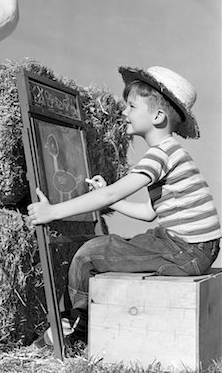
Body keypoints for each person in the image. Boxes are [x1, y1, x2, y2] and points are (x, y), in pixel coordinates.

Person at [27, 65, 221, 346]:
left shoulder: (160, 154)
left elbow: (108, 197)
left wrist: (52, 211)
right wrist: (113, 198)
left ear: (157, 116)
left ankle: (76, 329)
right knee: (115, 245)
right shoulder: (172, 153)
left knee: (89, 255)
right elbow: (149, 213)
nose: (124, 112)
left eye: (131, 106)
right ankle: (85, 322)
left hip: (185, 249)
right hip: (191, 246)